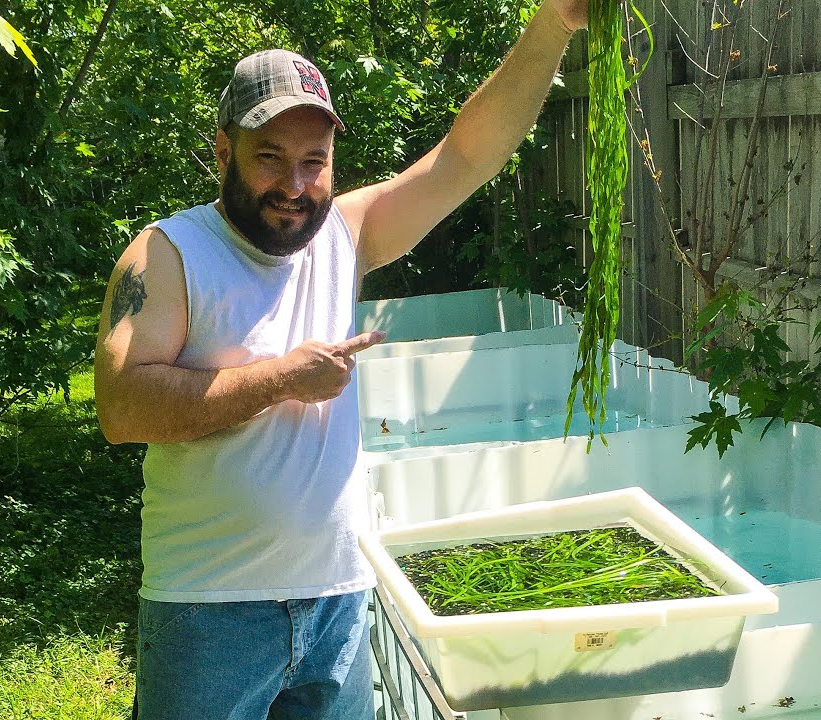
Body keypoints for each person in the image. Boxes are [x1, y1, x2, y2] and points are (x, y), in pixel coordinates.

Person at [94, 1, 588, 717]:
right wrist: (283, 378)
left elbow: (466, 158)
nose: (295, 186)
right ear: (224, 151)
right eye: (269, 158)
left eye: (314, 162)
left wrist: (555, 23)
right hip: (208, 608)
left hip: (339, 600)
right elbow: (123, 408)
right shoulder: (168, 253)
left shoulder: (344, 236)